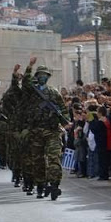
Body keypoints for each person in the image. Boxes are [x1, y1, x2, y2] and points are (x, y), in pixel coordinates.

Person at [22, 57, 69, 200]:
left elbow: (63, 109)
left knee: (54, 157)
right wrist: (29, 66)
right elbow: (25, 82)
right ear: (36, 77)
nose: (42, 77)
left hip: (52, 130)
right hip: (36, 131)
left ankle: (54, 185)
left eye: (45, 75)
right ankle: (41, 186)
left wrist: (65, 121)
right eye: (40, 75)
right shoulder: (31, 91)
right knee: (38, 160)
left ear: (48, 77)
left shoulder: (54, 93)